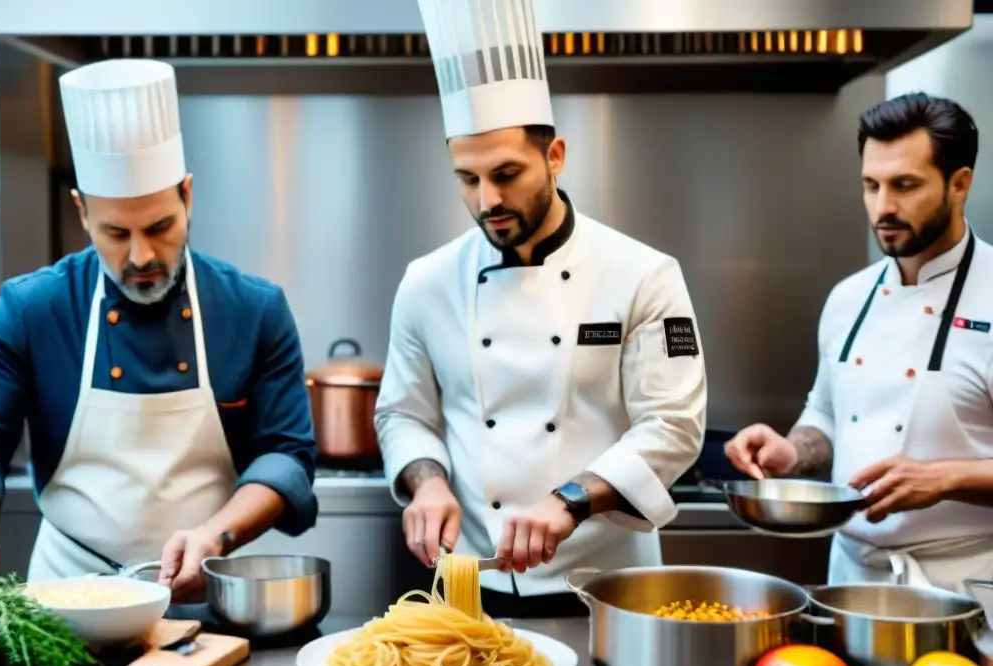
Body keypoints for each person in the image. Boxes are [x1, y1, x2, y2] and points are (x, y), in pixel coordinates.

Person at [374, 0, 707, 618]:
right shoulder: (426, 283)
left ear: (555, 157)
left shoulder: (642, 274)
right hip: (470, 590)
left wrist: (571, 500)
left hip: (609, 592)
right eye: (467, 179)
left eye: (507, 173)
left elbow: (673, 426)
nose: (488, 199)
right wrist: (428, 481)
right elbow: (403, 414)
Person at [0, 59, 317, 596]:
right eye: (115, 232)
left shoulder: (254, 309)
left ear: (188, 196)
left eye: (160, 227)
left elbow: (286, 454)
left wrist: (214, 535)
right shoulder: (29, 310)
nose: (140, 255)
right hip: (67, 597)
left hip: (204, 594)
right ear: (82, 212)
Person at [725, 93, 993, 594]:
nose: (883, 206)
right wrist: (791, 451)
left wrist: (947, 478)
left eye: (905, 185)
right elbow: (825, 416)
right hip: (853, 577)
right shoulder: (848, 298)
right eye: (871, 185)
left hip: (969, 586)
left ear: (960, 184)